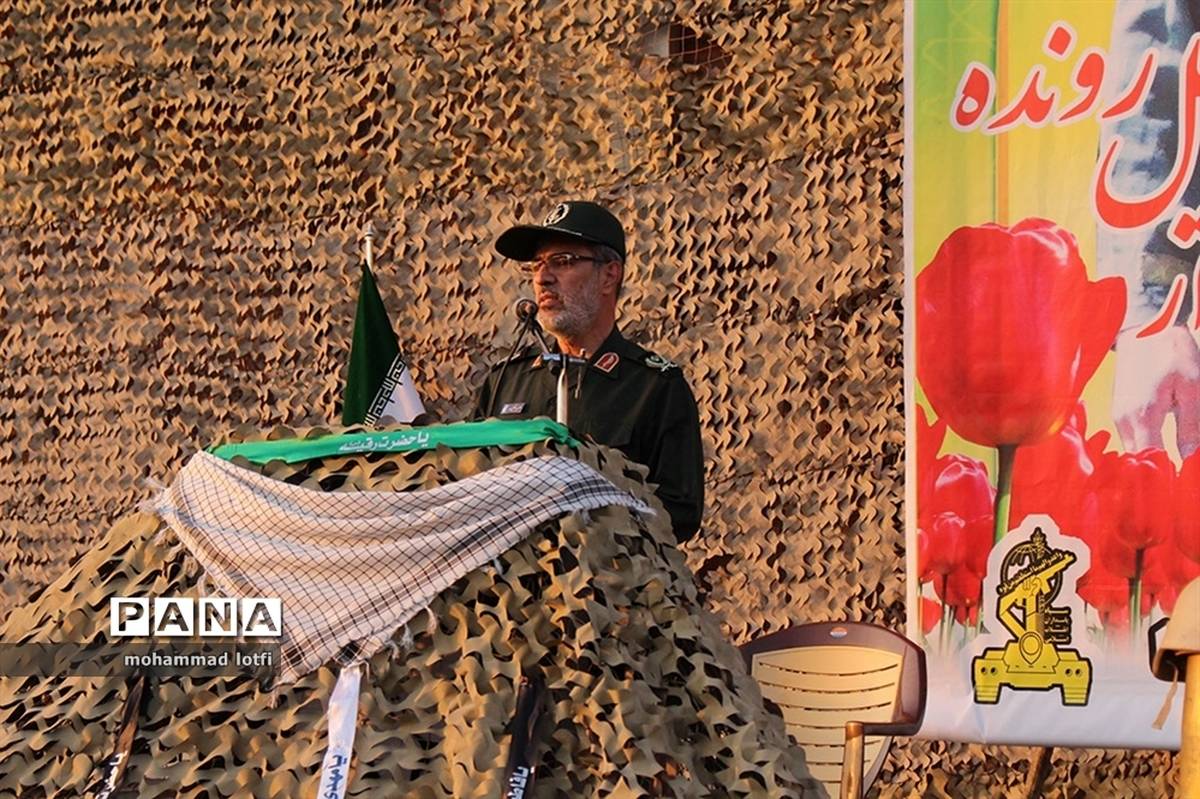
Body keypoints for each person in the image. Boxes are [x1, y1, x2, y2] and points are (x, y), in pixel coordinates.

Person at [473, 200, 705, 542]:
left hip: (607, 586)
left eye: (562, 262)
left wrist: (590, 509)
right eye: (537, 265)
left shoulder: (653, 386)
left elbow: (680, 514)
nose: (543, 278)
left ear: (609, 275)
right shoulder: (506, 380)